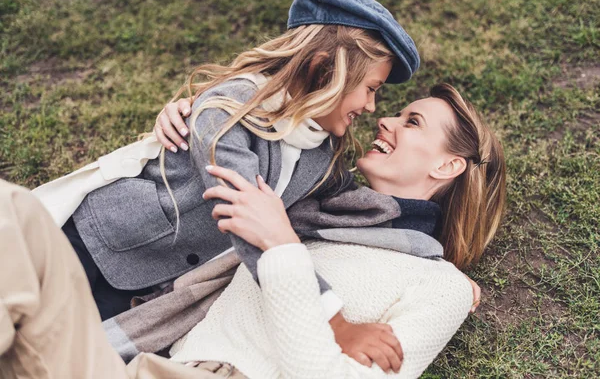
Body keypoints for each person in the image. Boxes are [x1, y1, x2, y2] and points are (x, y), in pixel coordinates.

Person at [1, 83, 506, 378]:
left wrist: (282, 247)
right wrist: (195, 118)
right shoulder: (312, 204)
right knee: (16, 213)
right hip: (142, 362)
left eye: (412, 122)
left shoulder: (441, 286)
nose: (385, 122)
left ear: (448, 167)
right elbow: (246, 148)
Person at [32, 0, 419, 328]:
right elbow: (244, 219)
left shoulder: (322, 151)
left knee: (70, 353)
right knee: (33, 329)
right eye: (371, 88)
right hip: (103, 242)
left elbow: (355, 208)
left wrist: (433, 247)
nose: (371, 106)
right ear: (323, 72)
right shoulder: (231, 107)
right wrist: (330, 319)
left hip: (150, 279)